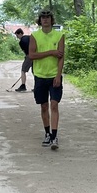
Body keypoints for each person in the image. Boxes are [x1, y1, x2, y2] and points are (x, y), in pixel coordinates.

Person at [29, 9, 64, 150]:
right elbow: (32, 55)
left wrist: (58, 75)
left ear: (51, 19)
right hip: (40, 76)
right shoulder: (34, 35)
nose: (45, 19)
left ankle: (54, 136)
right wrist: (50, 52)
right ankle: (47, 133)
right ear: (40, 20)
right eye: (42, 17)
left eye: (48, 17)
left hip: (54, 75)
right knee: (44, 106)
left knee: (54, 105)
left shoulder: (59, 35)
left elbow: (61, 57)